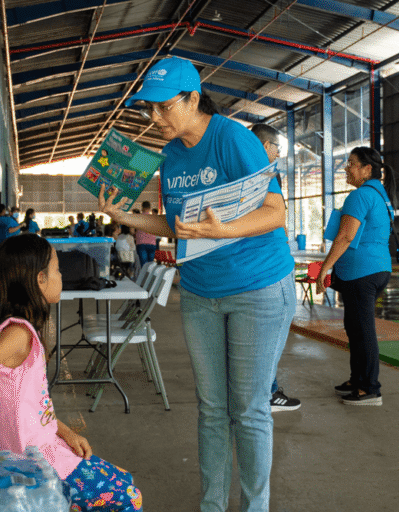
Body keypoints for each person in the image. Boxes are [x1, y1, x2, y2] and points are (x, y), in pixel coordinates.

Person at [99, 56, 295, 512]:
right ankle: (212, 506)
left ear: (192, 98)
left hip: (257, 287)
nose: (156, 118)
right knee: (211, 409)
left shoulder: (232, 138)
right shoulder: (169, 156)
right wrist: (124, 216)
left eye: (164, 107)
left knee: (248, 409)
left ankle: (254, 506)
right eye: (150, 109)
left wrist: (220, 231)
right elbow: (178, 222)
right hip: (202, 293)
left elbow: (275, 212)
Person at [0, 234, 143, 511]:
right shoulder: (17, 334)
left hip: (45, 448)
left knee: (124, 478)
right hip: (35, 464)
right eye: (57, 270)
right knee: (128, 496)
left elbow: (33, 405)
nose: (61, 276)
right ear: (40, 279)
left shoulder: (20, 330)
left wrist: (65, 432)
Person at [315, 146, 396, 406]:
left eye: (351, 163)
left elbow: (346, 236)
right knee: (355, 327)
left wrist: (325, 267)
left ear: (366, 169)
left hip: (363, 272)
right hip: (376, 269)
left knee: (362, 331)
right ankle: (357, 378)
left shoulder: (360, 196)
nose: (347, 168)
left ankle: (370, 388)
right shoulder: (380, 195)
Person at [251, 124, 301, 413]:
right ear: (265, 146)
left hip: (258, 266)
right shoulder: (262, 174)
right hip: (268, 267)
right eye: (277, 149)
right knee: (268, 340)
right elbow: (275, 218)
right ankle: (267, 394)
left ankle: (264, 392)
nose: (279, 155)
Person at [134, 201, 157, 266]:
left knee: (143, 264)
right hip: (152, 243)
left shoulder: (138, 217)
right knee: (150, 265)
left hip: (141, 243)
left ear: (142, 207)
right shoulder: (153, 218)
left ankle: (144, 276)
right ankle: (149, 276)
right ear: (150, 208)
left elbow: (132, 230)